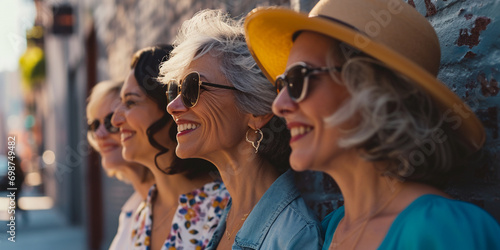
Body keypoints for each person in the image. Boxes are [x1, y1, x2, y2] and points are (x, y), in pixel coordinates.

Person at [244, 0, 500, 249]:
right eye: (282, 85)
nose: (279, 104)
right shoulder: (327, 230)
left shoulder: (442, 230)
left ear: (376, 91)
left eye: (299, 79)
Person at [162, 10, 322, 250]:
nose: (173, 106)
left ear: (257, 112)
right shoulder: (222, 215)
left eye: (192, 88)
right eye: (176, 90)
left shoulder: (292, 235)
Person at [112, 45, 230, 250]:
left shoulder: (225, 207)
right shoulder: (141, 213)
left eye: (130, 103)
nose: (115, 120)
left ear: (169, 108)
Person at [86, 79, 155, 250]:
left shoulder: (187, 206)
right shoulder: (131, 211)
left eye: (110, 122)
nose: (100, 134)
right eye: (95, 125)